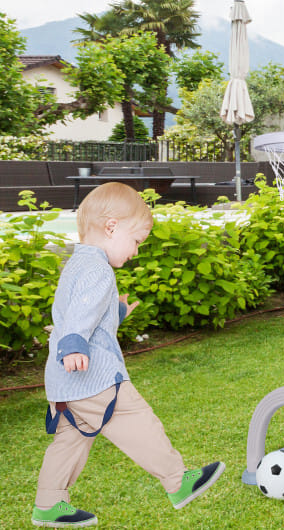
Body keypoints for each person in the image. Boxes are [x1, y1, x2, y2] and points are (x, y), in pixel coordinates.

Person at [32, 182, 224, 528]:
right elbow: (79, 317)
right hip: (95, 378)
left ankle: (48, 503)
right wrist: (73, 343)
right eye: (136, 241)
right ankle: (177, 481)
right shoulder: (98, 269)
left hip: (65, 383)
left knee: (70, 442)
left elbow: (82, 309)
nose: (136, 251)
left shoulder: (77, 263)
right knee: (137, 419)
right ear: (111, 227)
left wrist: (115, 313)